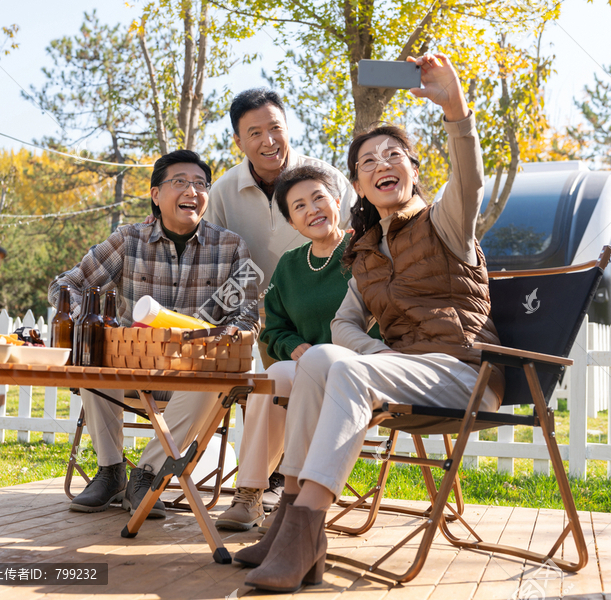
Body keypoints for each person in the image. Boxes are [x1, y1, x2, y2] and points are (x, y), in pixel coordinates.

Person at [235, 54, 506, 593]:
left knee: (349, 372)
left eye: (394, 155)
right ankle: (288, 518)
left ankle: (306, 528)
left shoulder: (445, 222)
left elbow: (470, 180)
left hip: (464, 372)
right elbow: (343, 326)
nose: (382, 164)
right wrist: (380, 356)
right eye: (368, 161)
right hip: (404, 371)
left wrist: (454, 107)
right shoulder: (368, 251)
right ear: (358, 184)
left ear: (412, 169)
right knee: (318, 359)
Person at [48, 150, 260, 519]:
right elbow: (64, 286)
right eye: (179, 182)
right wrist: (95, 321)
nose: (191, 191)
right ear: (156, 194)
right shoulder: (129, 240)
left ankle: (145, 475)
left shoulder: (229, 248)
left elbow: (249, 316)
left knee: (214, 379)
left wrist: (221, 337)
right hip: (130, 366)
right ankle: (111, 471)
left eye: (199, 184)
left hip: (190, 378)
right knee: (95, 352)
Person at [205, 88, 356, 513]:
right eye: (255, 133)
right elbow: (208, 246)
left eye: (276, 128)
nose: (268, 140)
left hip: (341, 334)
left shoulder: (326, 180)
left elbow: (363, 240)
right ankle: (250, 492)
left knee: (296, 386)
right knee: (269, 387)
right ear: (239, 141)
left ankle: (289, 491)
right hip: (266, 310)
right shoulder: (225, 191)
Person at [214, 164, 381, 531]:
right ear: (292, 223)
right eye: (300, 206)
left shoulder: (367, 250)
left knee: (305, 368)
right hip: (307, 365)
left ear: (337, 200)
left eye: (319, 197)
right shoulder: (290, 265)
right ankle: (250, 493)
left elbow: (387, 314)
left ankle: (299, 502)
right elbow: (274, 328)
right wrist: (293, 347)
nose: (313, 210)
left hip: (359, 367)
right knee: (273, 376)